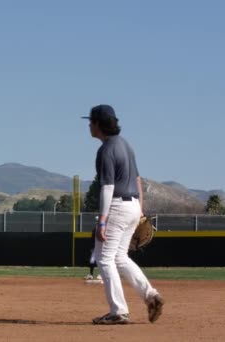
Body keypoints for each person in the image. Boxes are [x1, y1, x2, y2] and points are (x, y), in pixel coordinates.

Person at [82, 104, 164, 325]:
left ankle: (118, 311)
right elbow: (137, 179)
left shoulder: (107, 149)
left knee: (104, 259)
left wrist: (102, 220)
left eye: (91, 121)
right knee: (120, 258)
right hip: (133, 205)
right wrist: (140, 210)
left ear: (99, 124)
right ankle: (151, 295)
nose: (89, 125)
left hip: (117, 206)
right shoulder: (126, 145)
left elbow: (107, 187)